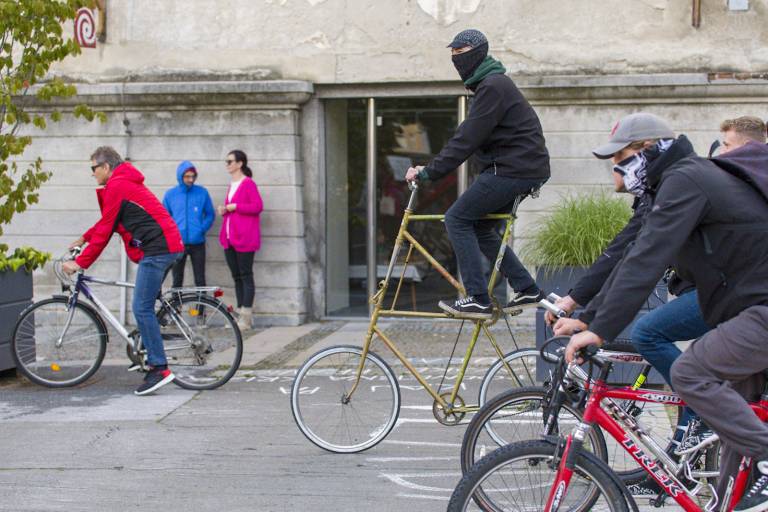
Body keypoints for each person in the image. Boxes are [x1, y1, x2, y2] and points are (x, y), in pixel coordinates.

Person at [562, 119, 768, 510]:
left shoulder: (686, 179)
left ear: (648, 148)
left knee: (691, 373)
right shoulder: (672, 185)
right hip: (745, 310)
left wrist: (599, 330)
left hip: (759, 311)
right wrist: (589, 316)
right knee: (736, 437)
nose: (616, 167)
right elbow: (632, 254)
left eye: (621, 156)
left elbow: (648, 258)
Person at [404, 29, 550, 320]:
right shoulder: (491, 85)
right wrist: (430, 169)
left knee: (456, 219)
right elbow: (470, 139)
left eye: (460, 52)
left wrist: (429, 173)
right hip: (520, 168)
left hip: (511, 169)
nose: (455, 58)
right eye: (452, 53)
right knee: (481, 228)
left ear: (479, 52)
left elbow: (466, 139)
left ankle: (478, 300)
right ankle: (527, 288)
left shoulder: (493, 86)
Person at [63, 147, 184, 396]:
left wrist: (80, 263)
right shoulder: (121, 183)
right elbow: (108, 221)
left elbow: (106, 229)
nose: (92, 173)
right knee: (145, 303)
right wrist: (84, 238)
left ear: (106, 166)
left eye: (93, 168)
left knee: (141, 307)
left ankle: (159, 368)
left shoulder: (118, 185)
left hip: (158, 248)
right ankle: (146, 349)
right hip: (164, 244)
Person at [218, 150, 263, 330]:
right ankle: (239, 316)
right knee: (237, 277)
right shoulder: (232, 184)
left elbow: (257, 206)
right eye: (226, 162)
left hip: (244, 237)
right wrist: (224, 210)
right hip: (230, 237)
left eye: (230, 161)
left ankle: (246, 317)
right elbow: (233, 210)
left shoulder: (248, 184)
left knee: (246, 275)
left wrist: (235, 206)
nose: (227, 165)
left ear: (240, 163)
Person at [162, 161, 215, 288]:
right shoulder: (170, 194)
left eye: (193, 176)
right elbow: (164, 217)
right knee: (177, 279)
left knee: (200, 279)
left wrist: (201, 229)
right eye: (187, 176)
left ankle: (200, 302)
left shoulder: (202, 192)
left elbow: (210, 214)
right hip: (178, 243)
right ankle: (176, 302)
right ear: (180, 176)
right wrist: (172, 233)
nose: (191, 179)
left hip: (198, 243)